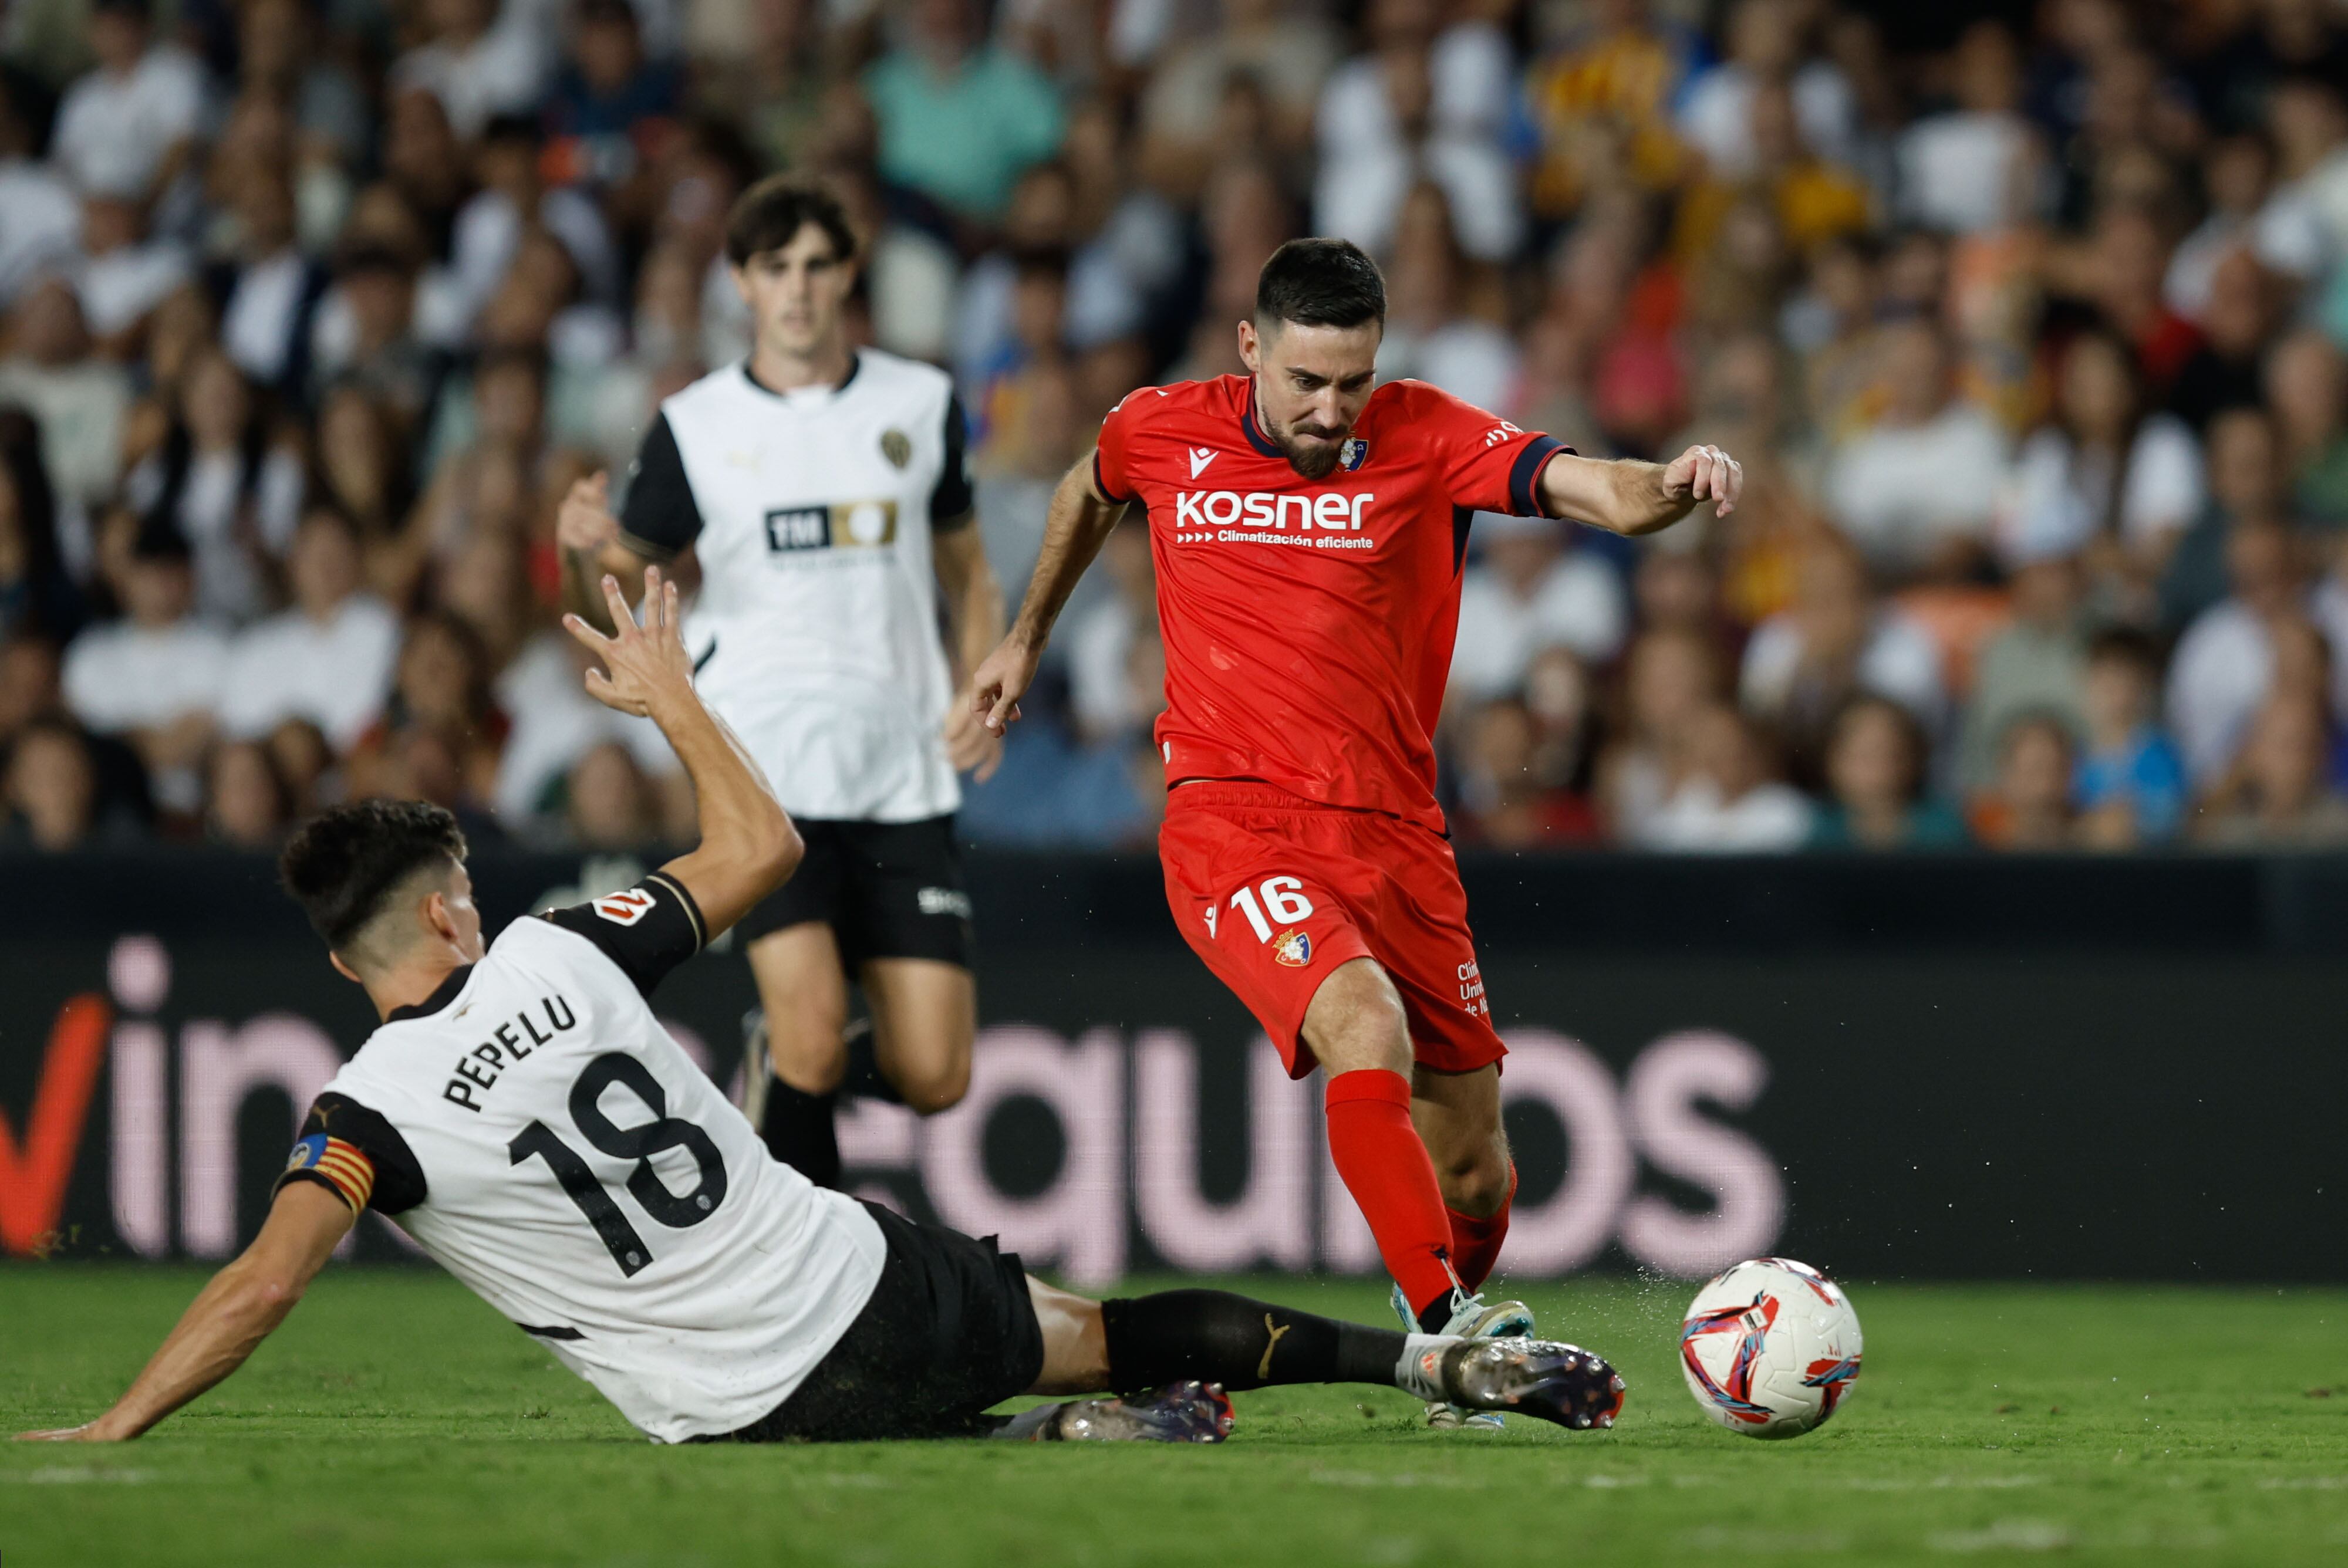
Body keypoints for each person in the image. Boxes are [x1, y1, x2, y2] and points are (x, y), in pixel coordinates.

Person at [12, 566, 1625, 1448]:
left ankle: (1009, 1443)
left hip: (741, 1417)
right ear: (447, 910)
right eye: (467, 889)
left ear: (343, 959)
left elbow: (263, 1285)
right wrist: (673, 699)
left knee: (912, 1399)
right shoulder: (568, 952)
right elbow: (763, 848)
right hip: (869, 1289)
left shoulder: (366, 1113)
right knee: (1105, 1330)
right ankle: (1413, 1367)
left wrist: (122, 1421)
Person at [969, 237, 1740, 1427]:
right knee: (1358, 1020)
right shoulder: (1162, 428)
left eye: (1352, 382)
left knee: (1478, 1166)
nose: (1332, 410)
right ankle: (1445, 1333)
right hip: (1230, 822)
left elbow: (1595, 488)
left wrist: (1675, 482)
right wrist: (1023, 640)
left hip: (1394, 837)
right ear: (1250, 349)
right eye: (1305, 382)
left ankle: (1448, 1333)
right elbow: (1086, 487)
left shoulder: (1427, 435)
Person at [555, 177, 1005, 1192]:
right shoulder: (696, 425)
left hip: (900, 766)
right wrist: (580, 553)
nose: (797, 290)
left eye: (815, 266)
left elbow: (967, 566)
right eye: (774, 269)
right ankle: (827, 1297)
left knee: (935, 1075)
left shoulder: (919, 404)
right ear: (742, 285)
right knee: (809, 1046)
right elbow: (618, 594)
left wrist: (982, 678)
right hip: (764, 766)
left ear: (848, 274)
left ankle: (779, 1065)